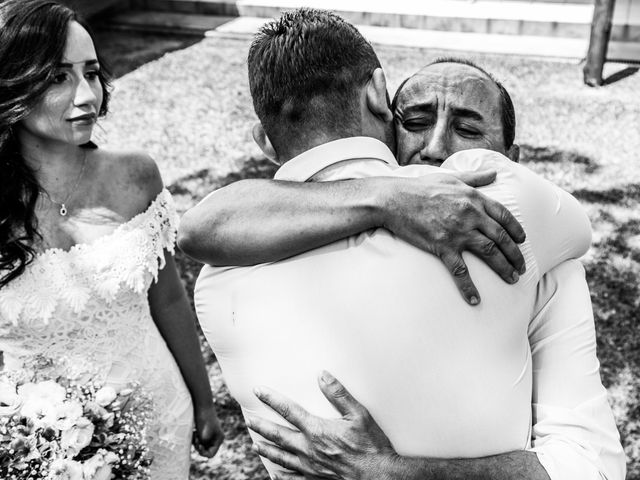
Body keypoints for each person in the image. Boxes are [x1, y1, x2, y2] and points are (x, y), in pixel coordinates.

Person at [185, 9, 625, 480]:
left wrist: (394, 471)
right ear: (380, 109)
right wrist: (387, 196)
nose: (436, 148)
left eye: (469, 130)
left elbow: (589, 465)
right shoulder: (265, 238)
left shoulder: (219, 283)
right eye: (414, 121)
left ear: (511, 160)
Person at [0, 1, 223, 478]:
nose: (87, 96)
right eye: (58, 77)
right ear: (12, 85)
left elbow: (168, 298)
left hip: (157, 417)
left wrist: (204, 402)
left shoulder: (135, 176)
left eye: (93, 72)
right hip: (35, 446)